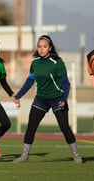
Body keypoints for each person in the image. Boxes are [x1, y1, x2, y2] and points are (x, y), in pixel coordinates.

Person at [12, 35, 83, 164]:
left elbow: (66, 83)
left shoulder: (58, 62)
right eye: (39, 46)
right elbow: (30, 81)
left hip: (57, 98)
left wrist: (64, 98)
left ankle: (76, 154)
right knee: (31, 127)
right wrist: (18, 96)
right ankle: (24, 156)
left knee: (64, 127)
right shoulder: (35, 63)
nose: (41, 49)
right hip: (41, 99)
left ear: (50, 48)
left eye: (44, 47)